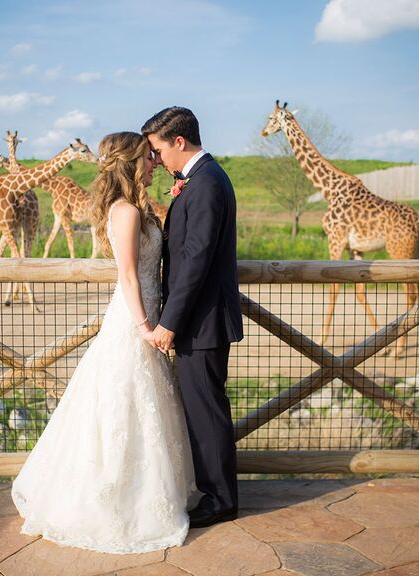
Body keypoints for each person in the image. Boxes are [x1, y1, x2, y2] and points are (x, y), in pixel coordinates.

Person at [11, 131, 198, 554]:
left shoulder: (137, 206)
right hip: (135, 318)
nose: (154, 162)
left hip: (143, 312)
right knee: (121, 403)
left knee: (142, 405)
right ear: (132, 162)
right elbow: (129, 275)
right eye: (148, 157)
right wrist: (146, 327)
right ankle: (116, 497)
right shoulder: (126, 211)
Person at [142, 107, 244, 528]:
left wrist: (169, 322)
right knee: (203, 408)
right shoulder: (199, 180)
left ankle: (221, 499)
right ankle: (216, 492)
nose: (157, 160)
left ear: (178, 142)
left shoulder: (205, 184)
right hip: (198, 320)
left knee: (207, 412)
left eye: (158, 150)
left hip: (200, 322)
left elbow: (195, 260)